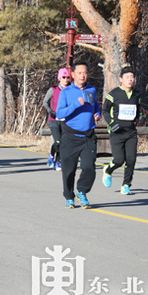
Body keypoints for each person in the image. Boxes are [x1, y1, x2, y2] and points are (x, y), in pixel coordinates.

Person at [56, 61, 101, 209]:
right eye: (79, 73)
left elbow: (96, 107)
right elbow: (60, 113)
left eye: (85, 73)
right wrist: (76, 104)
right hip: (70, 137)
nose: (82, 75)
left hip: (88, 136)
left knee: (89, 168)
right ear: (73, 75)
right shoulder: (66, 92)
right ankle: (69, 196)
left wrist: (97, 114)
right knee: (69, 171)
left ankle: (82, 190)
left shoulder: (92, 90)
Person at [102, 66, 143, 195]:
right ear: (121, 79)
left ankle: (126, 185)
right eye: (127, 77)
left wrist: (141, 117)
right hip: (117, 132)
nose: (130, 80)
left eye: (132, 77)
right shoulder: (113, 94)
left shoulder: (137, 95)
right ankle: (108, 171)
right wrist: (111, 123)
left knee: (131, 159)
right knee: (119, 160)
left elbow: (138, 110)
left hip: (131, 132)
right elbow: (105, 111)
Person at [42, 68, 71, 171]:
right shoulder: (53, 89)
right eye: (64, 77)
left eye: (68, 77)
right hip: (54, 119)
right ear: (59, 78)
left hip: (65, 120)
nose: (66, 79)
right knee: (58, 141)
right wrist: (50, 111)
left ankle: (58, 162)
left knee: (63, 142)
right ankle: (51, 155)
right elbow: (45, 102)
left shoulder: (70, 90)